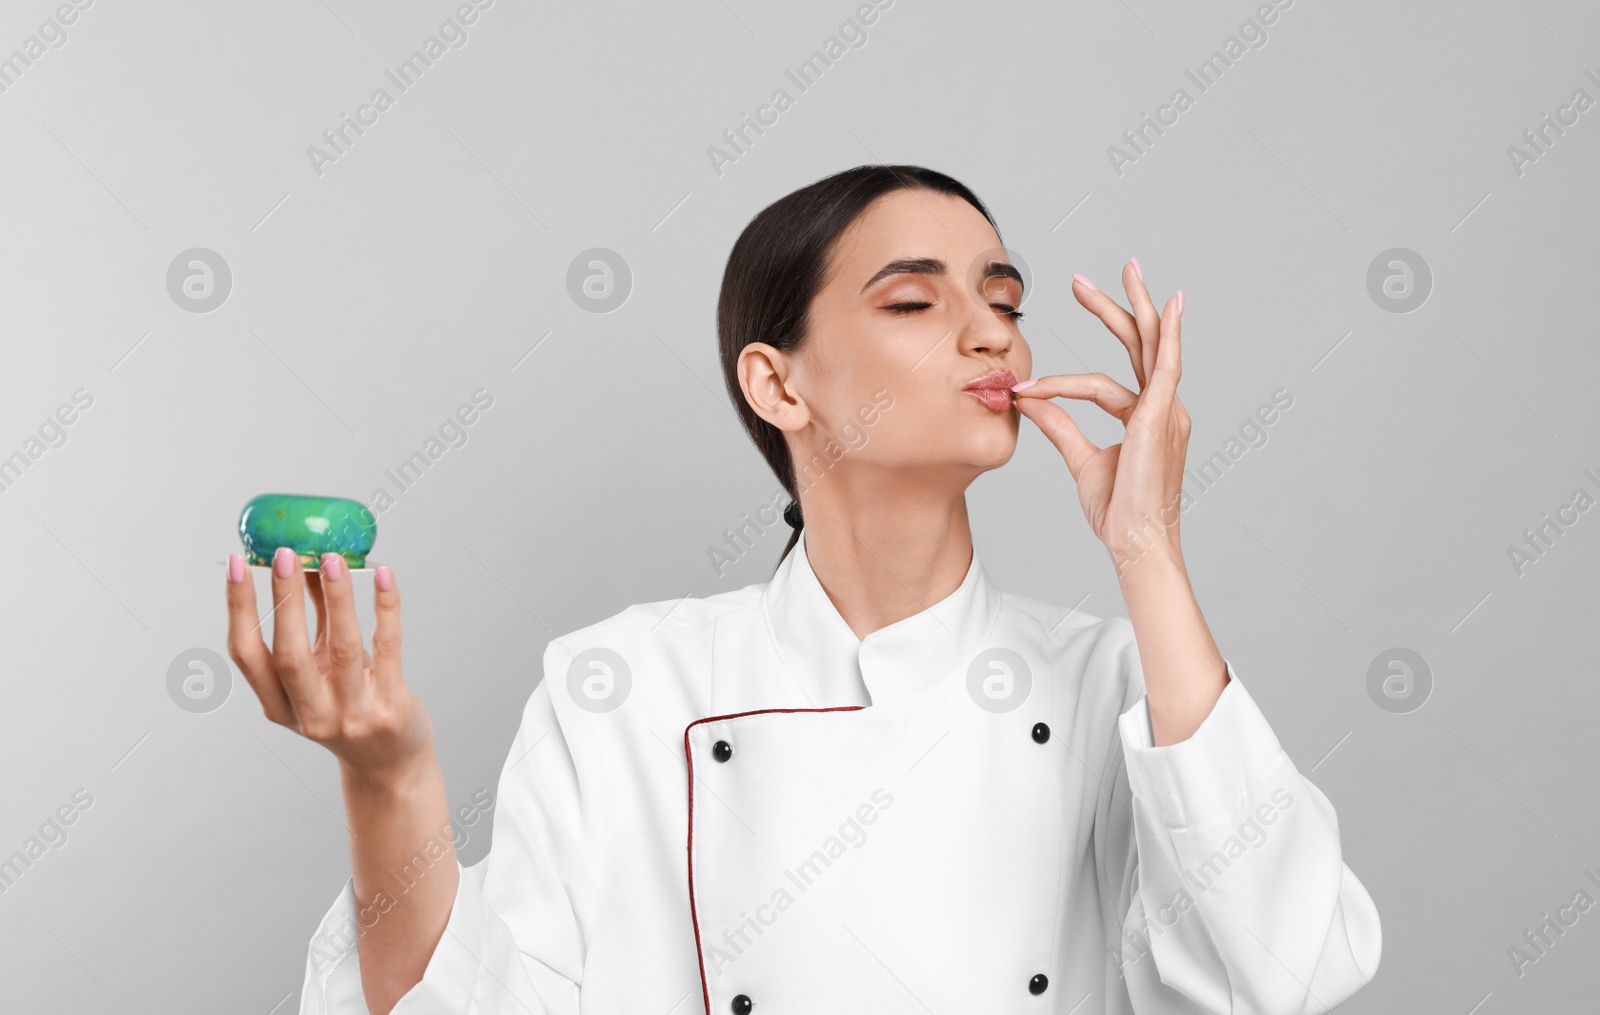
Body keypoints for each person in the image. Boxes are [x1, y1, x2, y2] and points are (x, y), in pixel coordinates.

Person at [224, 165, 1382, 1014]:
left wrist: (1149, 553)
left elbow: (1283, 971)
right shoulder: (624, 681)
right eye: (915, 301)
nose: (993, 333)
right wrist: (389, 778)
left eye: (1006, 297)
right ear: (778, 384)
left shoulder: (1113, 683)